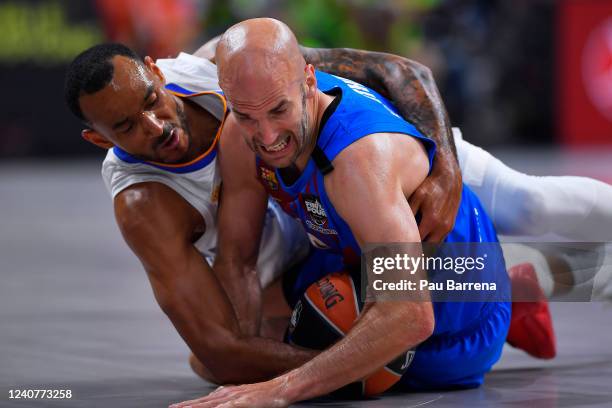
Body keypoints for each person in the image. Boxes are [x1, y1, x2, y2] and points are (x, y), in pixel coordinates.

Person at [172, 17, 515, 407]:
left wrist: (277, 388)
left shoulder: (358, 162)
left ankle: (523, 293)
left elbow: (409, 315)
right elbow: (237, 263)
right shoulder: (240, 134)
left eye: (278, 110)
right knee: (211, 359)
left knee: (360, 356)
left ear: (309, 82)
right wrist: (238, 366)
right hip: (359, 257)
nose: (266, 137)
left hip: (455, 302)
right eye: (247, 115)